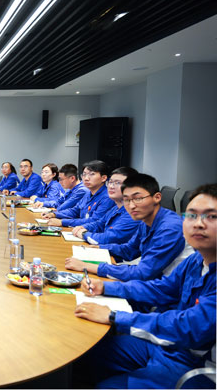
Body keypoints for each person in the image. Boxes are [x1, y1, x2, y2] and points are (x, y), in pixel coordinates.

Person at [73, 183, 216, 389]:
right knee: (89, 355)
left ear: (156, 197)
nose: (198, 224)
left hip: (195, 365)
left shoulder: (170, 228)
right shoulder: (196, 260)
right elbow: (161, 289)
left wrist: (114, 317)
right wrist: (105, 287)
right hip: (171, 347)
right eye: (192, 215)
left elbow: (188, 327)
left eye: (211, 216)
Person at [65, 173, 185, 282]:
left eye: (138, 199)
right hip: (153, 281)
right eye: (126, 200)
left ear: (157, 197)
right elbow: (129, 250)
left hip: (168, 291)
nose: (131, 206)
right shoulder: (146, 220)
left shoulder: (170, 228)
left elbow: (143, 273)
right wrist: (99, 247)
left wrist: (88, 266)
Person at [70, 167, 140, 245]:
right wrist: (83, 227)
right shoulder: (116, 208)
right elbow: (99, 224)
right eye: (110, 182)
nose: (111, 186)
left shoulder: (133, 213)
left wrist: (84, 234)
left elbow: (110, 238)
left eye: (117, 183)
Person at [44, 160, 113, 227]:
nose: (86, 178)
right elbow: (76, 210)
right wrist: (55, 214)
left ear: (103, 178)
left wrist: (62, 222)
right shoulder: (88, 193)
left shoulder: (107, 198)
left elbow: (94, 221)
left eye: (92, 174)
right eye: (84, 174)